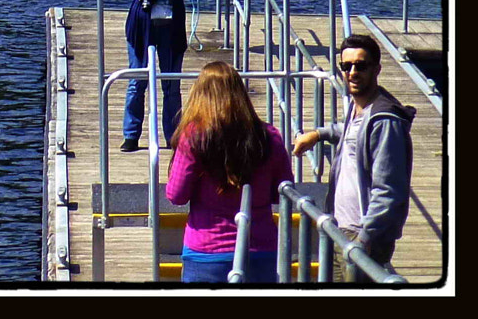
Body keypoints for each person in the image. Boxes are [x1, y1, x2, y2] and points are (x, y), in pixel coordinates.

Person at [293, 35, 416, 279]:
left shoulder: (385, 121)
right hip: (339, 228)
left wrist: (365, 238)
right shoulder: (358, 106)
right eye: (346, 66)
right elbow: (352, 134)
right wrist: (319, 134)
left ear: (377, 69)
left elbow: (389, 190)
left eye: (361, 66)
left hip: (360, 237)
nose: (352, 72)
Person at [167, 61, 288, 284]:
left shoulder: (194, 136)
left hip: (207, 250)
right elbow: (281, 191)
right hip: (260, 248)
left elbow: (177, 195)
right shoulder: (269, 135)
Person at [123, 0, 193, 150]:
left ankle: (173, 136)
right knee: (137, 81)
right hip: (142, 28)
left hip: (171, 29)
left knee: (171, 84)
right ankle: (131, 136)